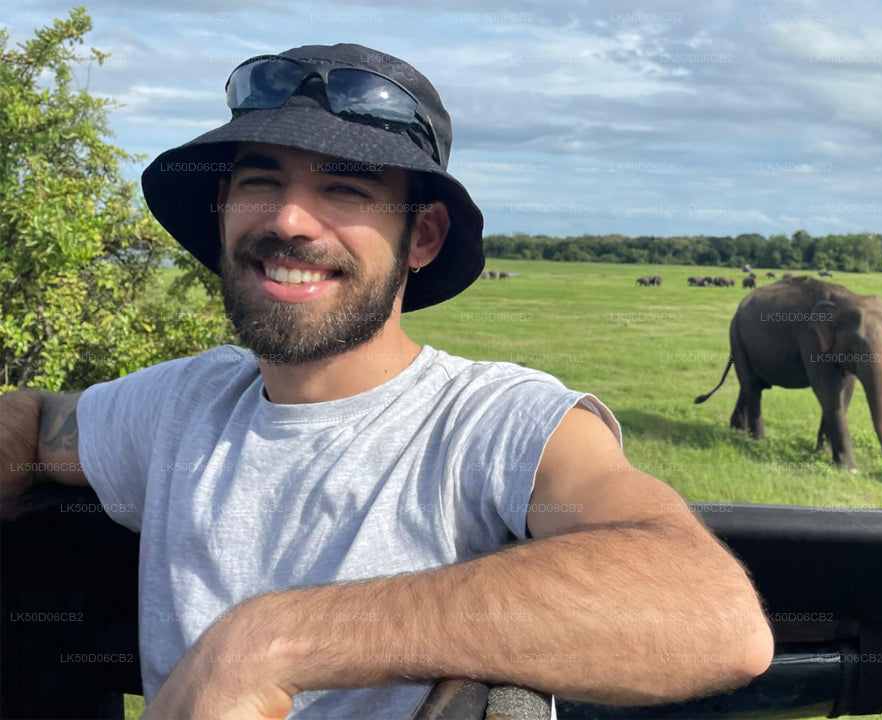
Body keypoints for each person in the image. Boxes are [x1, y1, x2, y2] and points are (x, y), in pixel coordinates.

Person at [0, 43, 772, 719]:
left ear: (422, 236)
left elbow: (710, 613)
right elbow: (31, 420)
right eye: (261, 182)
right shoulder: (182, 404)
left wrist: (272, 644)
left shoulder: (495, 421)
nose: (291, 222)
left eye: (345, 188)